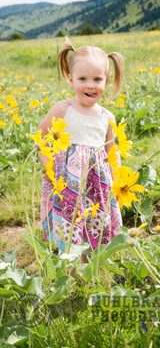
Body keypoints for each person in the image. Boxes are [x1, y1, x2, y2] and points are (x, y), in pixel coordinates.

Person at [38, 36, 123, 259]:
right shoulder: (63, 109)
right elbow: (41, 138)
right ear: (70, 78)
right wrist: (50, 171)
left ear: (106, 80)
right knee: (68, 222)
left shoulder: (107, 116)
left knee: (93, 223)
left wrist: (115, 178)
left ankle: (89, 267)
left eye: (97, 79)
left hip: (97, 184)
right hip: (67, 181)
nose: (90, 85)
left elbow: (112, 151)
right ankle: (68, 265)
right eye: (82, 78)